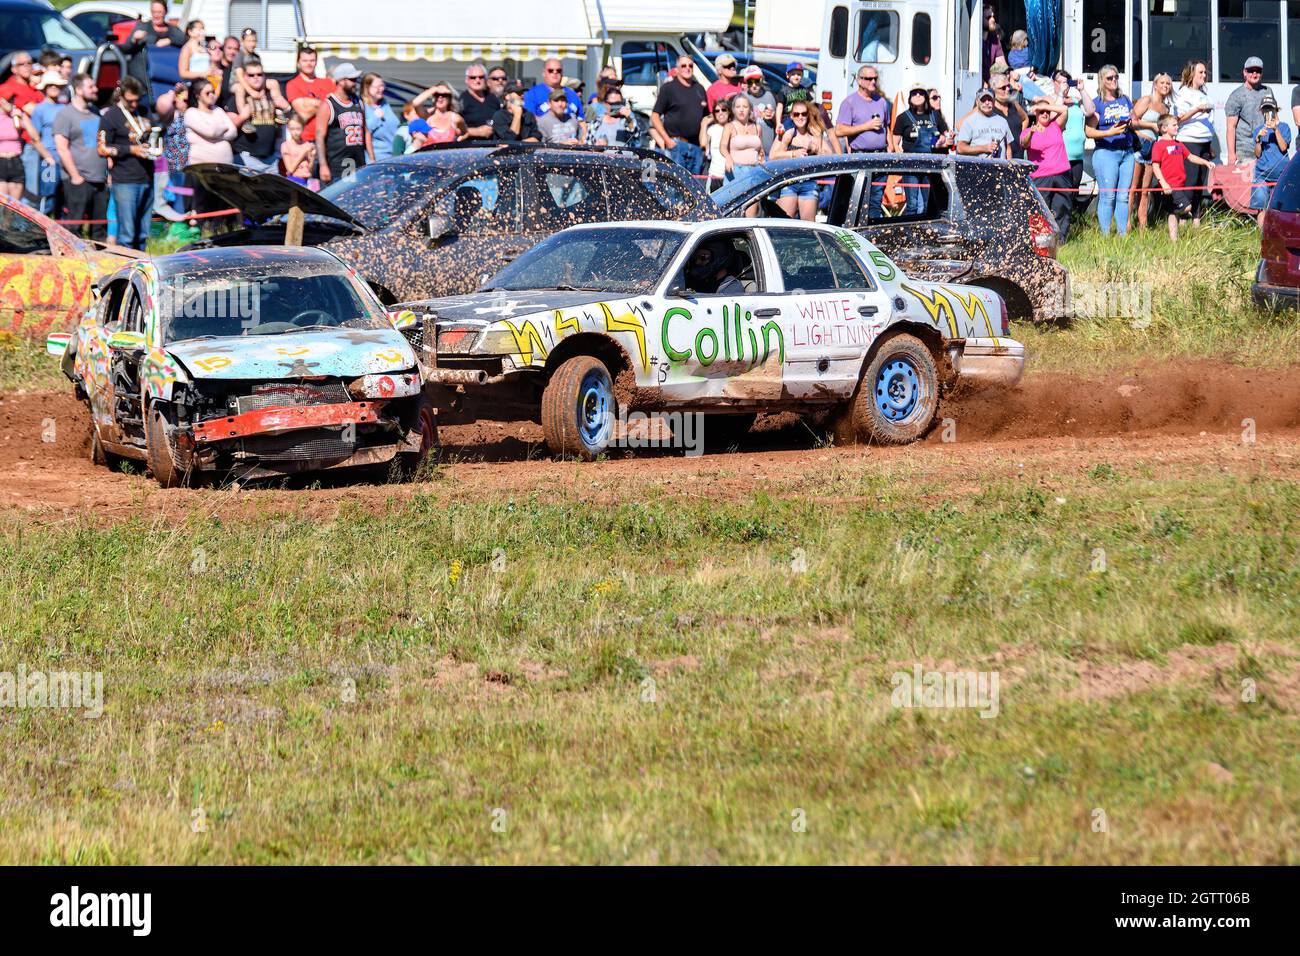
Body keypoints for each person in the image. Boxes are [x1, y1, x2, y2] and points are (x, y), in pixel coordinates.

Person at [97, 77, 155, 251]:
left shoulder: (144, 111)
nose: (135, 104)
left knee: (143, 233)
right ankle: (127, 272)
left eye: (137, 100)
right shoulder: (111, 116)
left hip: (147, 177)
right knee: (127, 235)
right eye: (130, 101)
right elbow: (102, 149)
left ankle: (143, 270)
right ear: (121, 96)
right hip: (125, 181)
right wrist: (131, 150)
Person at [54, 74, 109, 240]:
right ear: (78, 90)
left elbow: (103, 144)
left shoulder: (95, 113)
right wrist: (75, 176)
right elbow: (62, 148)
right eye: (90, 86)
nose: (95, 89)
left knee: (99, 228)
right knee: (74, 228)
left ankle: (101, 261)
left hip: (99, 179)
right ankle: (73, 264)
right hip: (78, 180)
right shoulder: (65, 115)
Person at [1086, 64, 1137, 235]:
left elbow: (1134, 120)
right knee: (1109, 197)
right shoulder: (1097, 103)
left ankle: (1123, 235)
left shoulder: (1125, 99)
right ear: (1102, 80)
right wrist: (1110, 131)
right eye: (1109, 78)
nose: (1114, 80)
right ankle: (1106, 236)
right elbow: (1089, 131)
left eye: (1116, 77)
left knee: (1123, 196)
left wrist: (1132, 121)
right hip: (1106, 152)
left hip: (1127, 152)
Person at [835, 66, 890, 217]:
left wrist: (890, 146)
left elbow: (887, 127)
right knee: (859, 200)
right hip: (860, 156)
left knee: (876, 200)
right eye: (869, 78)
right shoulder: (850, 102)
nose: (873, 82)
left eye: (875, 79)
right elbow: (839, 130)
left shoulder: (882, 102)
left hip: (881, 156)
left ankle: (872, 234)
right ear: (859, 80)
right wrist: (866, 126)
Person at [1150, 114, 1214, 241]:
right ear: (1163, 128)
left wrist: (1205, 162)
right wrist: (1163, 183)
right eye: (1174, 125)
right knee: (1186, 207)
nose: (1177, 127)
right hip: (1170, 186)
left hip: (1180, 184)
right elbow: (1155, 166)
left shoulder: (1179, 144)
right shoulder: (1159, 145)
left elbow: (1190, 157)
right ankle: (1186, 216)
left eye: (1177, 125)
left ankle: (1173, 240)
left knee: (1173, 213)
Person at [184, 77, 236, 220]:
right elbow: (210, 131)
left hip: (223, 170)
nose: (212, 95)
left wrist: (216, 132)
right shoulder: (191, 113)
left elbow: (233, 132)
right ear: (197, 95)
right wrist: (221, 128)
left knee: (221, 206)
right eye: (207, 93)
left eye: (213, 92)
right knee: (202, 206)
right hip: (202, 170)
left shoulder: (218, 110)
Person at [893, 86, 950, 215]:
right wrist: (901, 160)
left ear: (925, 97)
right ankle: (910, 231)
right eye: (914, 94)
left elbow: (945, 135)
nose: (918, 96)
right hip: (911, 165)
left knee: (928, 204)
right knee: (912, 204)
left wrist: (941, 140)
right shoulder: (903, 117)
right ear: (910, 98)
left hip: (931, 165)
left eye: (921, 94)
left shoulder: (934, 115)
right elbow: (895, 143)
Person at [770, 100, 830, 219]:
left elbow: (830, 156)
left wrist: (816, 149)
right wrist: (793, 153)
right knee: (785, 223)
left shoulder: (814, 133)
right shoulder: (788, 132)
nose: (800, 117)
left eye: (803, 114)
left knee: (808, 225)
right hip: (789, 182)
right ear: (792, 116)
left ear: (808, 115)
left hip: (809, 183)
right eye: (797, 114)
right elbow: (773, 156)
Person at [1021, 100, 1072, 238]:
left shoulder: (1056, 125)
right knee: (1041, 209)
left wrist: (1043, 106)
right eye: (1041, 112)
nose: (1045, 113)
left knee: (1062, 207)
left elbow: (1064, 110)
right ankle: (1040, 240)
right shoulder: (1027, 130)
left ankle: (1060, 241)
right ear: (1035, 114)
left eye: (1047, 112)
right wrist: (1031, 133)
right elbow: (1024, 143)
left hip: (1062, 174)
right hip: (1040, 176)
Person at [1173, 60, 1215, 226]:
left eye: (1205, 72)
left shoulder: (1205, 94)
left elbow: (1208, 120)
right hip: (1188, 140)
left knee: (1200, 182)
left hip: (1204, 142)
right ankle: (1183, 218)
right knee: (1189, 181)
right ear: (1191, 74)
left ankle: (1196, 218)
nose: (1204, 75)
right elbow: (1177, 119)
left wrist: (1210, 143)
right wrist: (1197, 109)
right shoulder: (1183, 93)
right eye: (1200, 72)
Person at [651, 56, 709, 174]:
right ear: (677, 69)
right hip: (676, 146)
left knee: (694, 189)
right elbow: (655, 116)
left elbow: (706, 117)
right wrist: (667, 140)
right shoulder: (668, 88)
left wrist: (705, 143)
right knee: (675, 189)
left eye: (690, 65)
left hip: (696, 147)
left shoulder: (699, 88)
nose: (687, 68)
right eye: (683, 65)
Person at [230, 57, 289, 173]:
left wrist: (286, 108)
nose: (256, 78)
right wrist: (243, 117)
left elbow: (290, 119)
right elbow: (229, 128)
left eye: (259, 74)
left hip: (271, 161)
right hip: (247, 159)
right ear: (245, 77)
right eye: (251, 75)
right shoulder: (238, 96)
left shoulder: (271, 93)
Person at [1132, 72, 1174, 228]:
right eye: (1162, 83)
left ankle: (1143, 227)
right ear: (1155, 85)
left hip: (1153, 149)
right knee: (1133, 188)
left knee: (1145, 190)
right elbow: (1132, 121)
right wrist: (1145, 130)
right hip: (1139, 145)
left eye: (1168, 84)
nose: (1165, 86)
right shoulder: (1146, 100)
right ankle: (1128, 225)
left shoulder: (1166, 108)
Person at [0, 52, 42, 207]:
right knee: (25, 197)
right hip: (23, 146)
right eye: (22, 64)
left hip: (38, 143)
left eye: (29, 63)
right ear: (13, 69)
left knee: (36, 192)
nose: (27, 67)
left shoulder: (35, 88)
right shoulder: (7, 88)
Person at [1225, 56, 1274, 173]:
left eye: (1258, 71)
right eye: (1251, 71)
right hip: (1244, 151)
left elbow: (1271, 118)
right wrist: (1231, 155)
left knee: (1264, 187)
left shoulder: (1268, 91)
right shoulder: (1236, 95)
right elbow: (1230, 127)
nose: (1254, 74)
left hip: (1266, 149)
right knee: (1247, 188)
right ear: (1244, 72)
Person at [720, 95, 764, 213]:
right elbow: (722, 146)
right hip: (736, 172)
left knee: (751, 214)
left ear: (750, 109)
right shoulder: (729, 126)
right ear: (733, 109)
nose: (741, 109)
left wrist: (761, 159)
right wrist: (728, 157)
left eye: (744, 106)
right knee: (732, 214)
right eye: (738, 106)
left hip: (754, 172)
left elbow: (760, 150)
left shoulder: (757, 127)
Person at [30, 73, 66, 214]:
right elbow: (35, 137)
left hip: (65, 157)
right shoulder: (39, 109)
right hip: (49, 158)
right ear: (44, 88)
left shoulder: (65, 108)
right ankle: (40, 231)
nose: (53, 87)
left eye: (56, 84)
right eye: (50, 85)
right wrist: (47, 157)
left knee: (63, 198)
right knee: (48, 197)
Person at [285, 47, 335, 146]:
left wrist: (310, 102)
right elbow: (304, 113)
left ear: (316, 62)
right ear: (298, 62)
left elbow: (335, 107)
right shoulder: (292, 84)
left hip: (330, 138)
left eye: (312, 60)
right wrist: (325, 104)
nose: (309, 64)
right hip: (307, 141)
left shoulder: (328, 83)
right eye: (305, 60)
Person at [1251, 97, 1290, 222]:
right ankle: (1263, 238)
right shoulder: (1258, 130)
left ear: (1276, 110)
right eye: (1265, 108)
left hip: (1281, 174)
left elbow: (1284, 147)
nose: (1267, 111)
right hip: (1262, 175)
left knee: (1280, 209)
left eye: (1270, 108)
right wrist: (1258, 140)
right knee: (1261, 208)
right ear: (1261, 111)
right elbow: (1257, 154)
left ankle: (1276, 237)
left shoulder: (1284, 127)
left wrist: (1275, 129)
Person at [956, 88, 1011, 159]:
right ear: (977, 102)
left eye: (989, 99)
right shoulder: (969, 121)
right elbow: (960, 148)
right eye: (983, 100)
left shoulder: (1003, 121)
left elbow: (1008, 149)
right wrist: (984, 148)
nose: (987, 102)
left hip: (1000, 167)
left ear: (994, 101)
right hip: (979, 167)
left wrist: (1009, 167)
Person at [359, 73, 398, 161]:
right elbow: (363, 132)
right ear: (367, 87)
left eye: (382, 85)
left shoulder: (384, 104)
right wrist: (375, 118)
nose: (382, 89)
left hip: (394, 156)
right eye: (378, 86)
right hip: (376, 159)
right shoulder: (361, 106)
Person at [740, 66, 778, 154]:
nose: (754, 85)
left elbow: (777, 124)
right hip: (749, 150)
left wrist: (773, 116)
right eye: (750, 82)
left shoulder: (770, 95)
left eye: (756, 81)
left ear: (762, 80)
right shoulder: (742, 97)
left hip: (768, 149)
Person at [459, 64, 500, 141]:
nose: (477, 80)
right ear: (466, 80)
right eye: (473, 78)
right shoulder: (461, 100)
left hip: (492, 146)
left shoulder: (493, 98)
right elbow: (453, 127)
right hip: (469, 148)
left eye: (481, 77)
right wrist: (477, 132)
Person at [701, 98, 730, 191]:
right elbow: (703, 143)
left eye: (724, 110)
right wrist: (704, 124)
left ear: (729, 111)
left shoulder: (734, 127)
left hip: (730, 176)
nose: (720, 113)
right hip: (714, 175)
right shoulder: (712, 129)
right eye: (717, 111)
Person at [280, 115, 316, 188]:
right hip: (293, 182)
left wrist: (312, 157)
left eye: (298, 129)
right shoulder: (285, 146)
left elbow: (310, 171)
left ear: (303, 128)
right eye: (292, 129)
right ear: (288, 129)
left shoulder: (307, 145)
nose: (295, 132)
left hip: (306, 182)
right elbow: (290, 169)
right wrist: (303, 153)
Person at [774, 61, 809, 129]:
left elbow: (810, 105)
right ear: (787, 75)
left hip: (801, 118)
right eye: (793, 74)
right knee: (789, 134)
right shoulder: (783, 90)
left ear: (802, 75)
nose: (796, 77)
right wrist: (778, 123)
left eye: (799, 74)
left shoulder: (804, 90)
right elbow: (780, 107)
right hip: (788, 119)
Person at [982, 7, 1007, 82]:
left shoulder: (994, 39)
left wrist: (1009, 73)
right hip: (979, 82)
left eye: (993, 17)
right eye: (988, 17)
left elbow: (1002, 64)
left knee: (1022, 80)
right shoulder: (974, 41)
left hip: (993, 80)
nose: (993, 20)